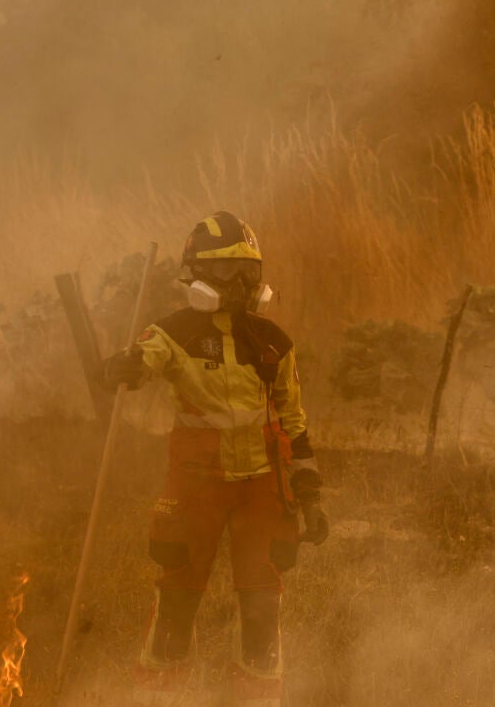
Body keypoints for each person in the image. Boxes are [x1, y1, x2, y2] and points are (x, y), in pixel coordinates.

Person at [102, 211, 329, 706]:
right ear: (198, 274)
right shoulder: (172, 333)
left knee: (263, 608)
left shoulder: (274, 341)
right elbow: (144, 361)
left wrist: (310, 495)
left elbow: (294, 423)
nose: (242, 285)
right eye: (229, 272)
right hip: (195, 486)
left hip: (263, 490)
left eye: (250, 272)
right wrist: (125, 367)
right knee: (177, 602)